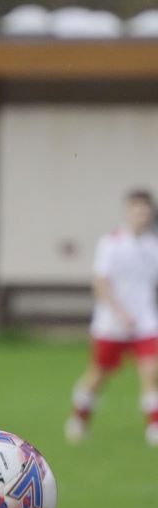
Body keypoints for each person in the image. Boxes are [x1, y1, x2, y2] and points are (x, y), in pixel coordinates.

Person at [64, 188, 158, 446]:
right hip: (112, 324)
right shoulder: (111, 243)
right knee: (98, 374)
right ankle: (78, 418)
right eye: (137, 210)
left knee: (151, 372)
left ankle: (153, 428)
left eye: (145, 210)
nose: (141, 215)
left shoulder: (153, 245)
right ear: (128, 211)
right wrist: (120, 313)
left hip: (145, 322)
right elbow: (101, 283)